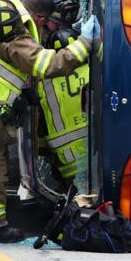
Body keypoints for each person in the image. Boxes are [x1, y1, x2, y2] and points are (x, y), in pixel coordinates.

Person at [0, 0, 97, 242]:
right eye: (48, 24)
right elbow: (46, 65)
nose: (48, 31)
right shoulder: (15, 31)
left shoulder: (4, 13)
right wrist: (85, 42)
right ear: (40, 17)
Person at [37, 26, 89, 189]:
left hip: (67, 161)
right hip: (96, 148)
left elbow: (40, 127)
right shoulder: (94, 70)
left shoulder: (43, 85)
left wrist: (45, 152)